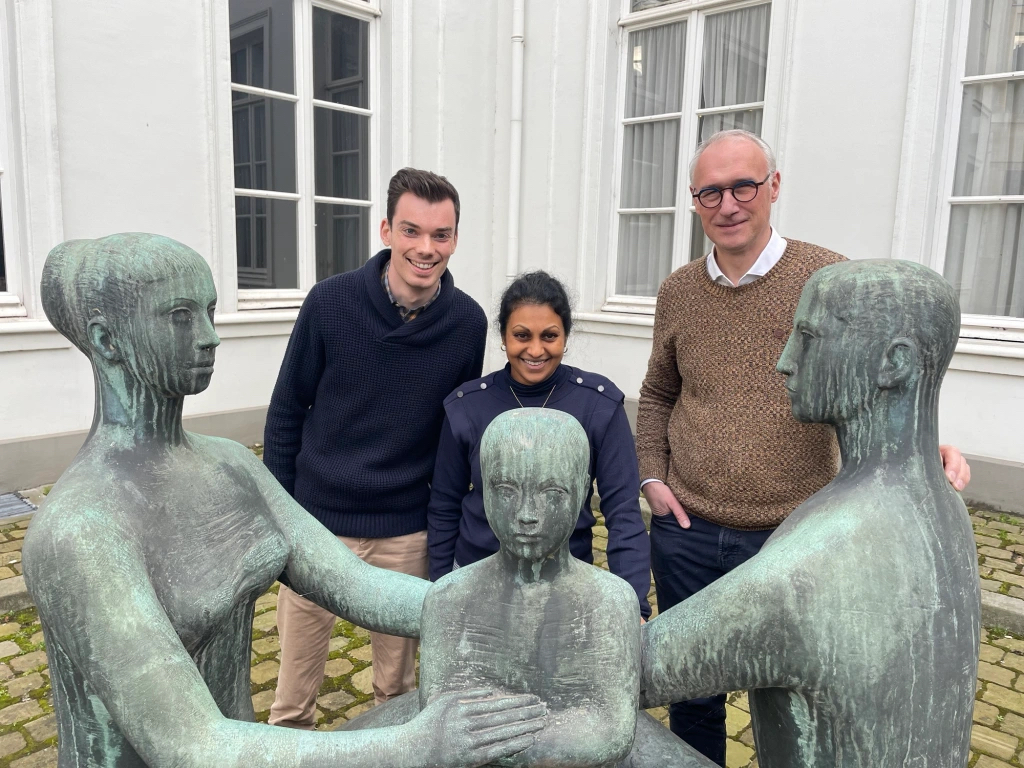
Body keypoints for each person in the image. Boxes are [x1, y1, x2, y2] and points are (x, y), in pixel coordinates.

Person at [23, 233, 545, 768]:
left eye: (209, 311)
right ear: (108, 341)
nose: (210, 338)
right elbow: (189, 745)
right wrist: (418, 744)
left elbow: (352, 581)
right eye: (180, 316)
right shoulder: (80, 531)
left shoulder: (230, 465)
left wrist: (500, 609)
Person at [635, 129, 972, 765]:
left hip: (793, 536)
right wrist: (654, 478)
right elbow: (656, 395)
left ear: (775, 187)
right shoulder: (678, 291)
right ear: (694, 200)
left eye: (743, 186)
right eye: (710, 191)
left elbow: (882, 379)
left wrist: (927, 448)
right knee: (694, 703)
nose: (728, 203)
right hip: (690, 528)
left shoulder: (827, 278)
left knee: (785, 699)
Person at [345, 409, 717, 768]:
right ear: (484, 490)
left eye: (551, 492)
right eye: (506, 490)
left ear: (580, 492)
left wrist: (491, 742)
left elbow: (611, 733)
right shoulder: (450, 598)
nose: (527, 513)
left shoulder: (609, 601)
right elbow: (441, 719)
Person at [263, 168, 488, 727]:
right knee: (292, 700)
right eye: (412, 231)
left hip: (406, 531)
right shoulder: (329, 303)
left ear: (455, 239)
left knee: (398, 692)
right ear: (387, 229)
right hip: (318, 526)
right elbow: (287, 410)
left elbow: (453, 435)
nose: (426, 248)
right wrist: (282, 518)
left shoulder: (467, 324)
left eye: (441, 234)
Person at [428, 271, 652, 617]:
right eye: (521, 336)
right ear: (504, 336)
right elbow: (445, 505)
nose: (535, 350)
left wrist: (632, 606)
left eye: (549, 336)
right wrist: (441, 588)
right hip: (477, 579)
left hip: (565, 586)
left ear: (565, 337)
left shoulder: (597, 406)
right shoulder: (467, 406)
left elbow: (622, 512)